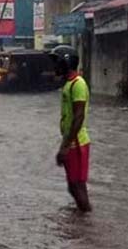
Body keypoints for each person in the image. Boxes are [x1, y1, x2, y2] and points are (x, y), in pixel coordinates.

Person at [50, 45, 92, 212]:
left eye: (57, 63)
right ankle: (83, 223)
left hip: (77, 143)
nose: (55, 67)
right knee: (73, 187)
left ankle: (87, 223)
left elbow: (78, 117)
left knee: (77, 186)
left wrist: (65, 147)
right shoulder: (69, 84)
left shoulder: (78, 84)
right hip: (70, 142)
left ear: (66, 63)